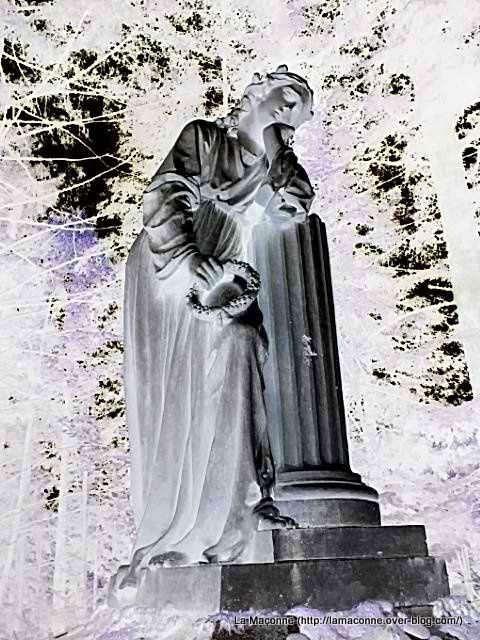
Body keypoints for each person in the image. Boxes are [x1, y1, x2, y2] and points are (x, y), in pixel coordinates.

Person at [120, 65, 315, 588]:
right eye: (287, 95)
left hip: (227, 272)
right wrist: (188, 254)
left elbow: (297, 203)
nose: (291, 109)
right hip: (174, 268)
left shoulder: (272, 166)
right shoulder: (204, 137)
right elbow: (166, 194)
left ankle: (244, 508)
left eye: (300, 110)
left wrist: (278, 146)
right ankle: (180, 531)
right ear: (257, 91)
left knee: (244, 341)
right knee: (182, 400)